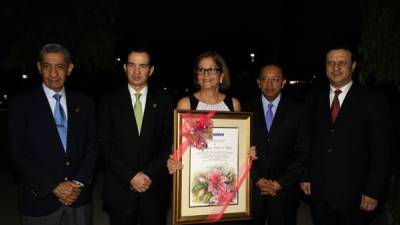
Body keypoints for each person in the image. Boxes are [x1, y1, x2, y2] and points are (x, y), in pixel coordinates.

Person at [300, 45, 393, 225]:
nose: (336, 67)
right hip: (319, 192)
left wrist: (373, 190)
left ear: (353, 66)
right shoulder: (313, 98)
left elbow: (382, 150)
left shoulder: (374, 99)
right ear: (325, 67)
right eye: (331, 63)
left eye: (342, 62)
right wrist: (305, 175)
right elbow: (305, 140)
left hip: (356, 195)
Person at [7, 43, 97, 225]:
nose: (53, 73)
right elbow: (18, 153)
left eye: (60, 67)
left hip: (78, 200)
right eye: (47, 66)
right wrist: (53, 186)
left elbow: (92, 146)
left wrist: (78, 184)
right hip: (39, 202)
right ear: (39, 67)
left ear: (69, 69)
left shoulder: (85, 103)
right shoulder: (20, 105)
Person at [167, 50, 256, 225]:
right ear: (197, 75)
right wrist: (174, 158)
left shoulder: (233, 104)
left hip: (226, 189)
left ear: (221, 74)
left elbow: (238, 143)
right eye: (201, 70)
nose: (206, 74)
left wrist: (248, 152)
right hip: (196, 186)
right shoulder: (186, 104)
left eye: (212, 69)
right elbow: (177, 144)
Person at [97, 46, 173, 225]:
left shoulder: (164, 100)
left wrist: (146, 174)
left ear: (151, 70)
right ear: (125, 67)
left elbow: (166, 143)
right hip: (119, 189)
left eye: (143, 66)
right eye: (132, 65)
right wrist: (131, 176)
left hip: (153, 188)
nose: (137, 71)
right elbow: (105, 145)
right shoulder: (108, 100)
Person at [242, 63, 308, 225]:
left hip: (284, 191)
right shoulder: (245, 109)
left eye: (275, 79)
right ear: (258, 82)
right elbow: (238, 148)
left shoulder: (298, 110)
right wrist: (255, 178)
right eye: (265, 79)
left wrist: (281, 182)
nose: (269, 84)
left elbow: (303, 151)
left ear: (283, 82)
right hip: (252, 189)